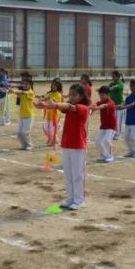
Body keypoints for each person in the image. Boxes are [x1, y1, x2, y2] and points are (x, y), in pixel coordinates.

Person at [37, 83, 90, 211]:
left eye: (74, 95)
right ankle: (71, 198)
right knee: (69, 174)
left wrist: (54, 105)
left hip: (78, 145)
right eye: (70, 94)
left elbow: (68, 106)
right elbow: (63, 107)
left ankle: (79, 200)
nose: (71, 97)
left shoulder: (83, 108)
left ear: (81, 96)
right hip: (67, 144)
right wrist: (45, 105)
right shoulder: (69, 107)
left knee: (78, 174)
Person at [117, 79, 135, 158]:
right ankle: (131, 151)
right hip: (128, 120)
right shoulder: (129, 96)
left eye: (134, 86)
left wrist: (122, 107)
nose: (131, 87)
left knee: (133, 137)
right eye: (131, 86)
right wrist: (119, 106)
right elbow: (124, 103)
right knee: (126, 137)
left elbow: (132, 105)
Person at [90, 86, 117, 162]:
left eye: (102, 95)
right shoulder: (100, 102)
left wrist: (97, 108)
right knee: (98, 141)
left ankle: (110, 156)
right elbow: (95, 105)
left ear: (108, 95)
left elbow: (104, 106)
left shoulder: (111, 102)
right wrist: (90, 108)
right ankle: (104, 155)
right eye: (100, 95)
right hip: (103, 126)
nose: (101, 96)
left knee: (107, 141)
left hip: (111, 126)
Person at [9, 77, 36, 150]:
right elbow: (19, 93)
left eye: (26, 84)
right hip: (22, 115)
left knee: (24, 132)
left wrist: (14, 90)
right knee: (19, 133)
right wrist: (10, 91)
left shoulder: (31, 92)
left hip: (29, 115)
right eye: (23, 84)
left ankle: (29, 145)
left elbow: (23, 92)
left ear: (30, 85)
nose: (24, 85)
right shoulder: (22, 91)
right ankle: (24, 144)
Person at [41, 79, 64, 146]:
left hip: (55, 114)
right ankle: (55, 139)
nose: (53, 86)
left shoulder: (58, 94)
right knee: (46, 128)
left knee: (51, 129)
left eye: (55, 85)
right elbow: (45, 97)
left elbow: (53, 101)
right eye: (52, 85)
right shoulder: (50, 93)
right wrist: (40, 99)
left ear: (58, 86)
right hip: (49, 114)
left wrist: (48, 100)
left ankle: (52, 141)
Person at [109, 71, 125, 140]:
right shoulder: (111, 83)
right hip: (113, 104)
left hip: (119, 105)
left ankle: (118, 134)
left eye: (114, 76)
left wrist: (106, 90)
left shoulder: (121, 84)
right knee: (113, 119)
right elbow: (109, 87)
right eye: (112, 76)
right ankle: (114, 133)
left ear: (118, 77)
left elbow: (114, 88)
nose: (112, 78)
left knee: (118, 120)